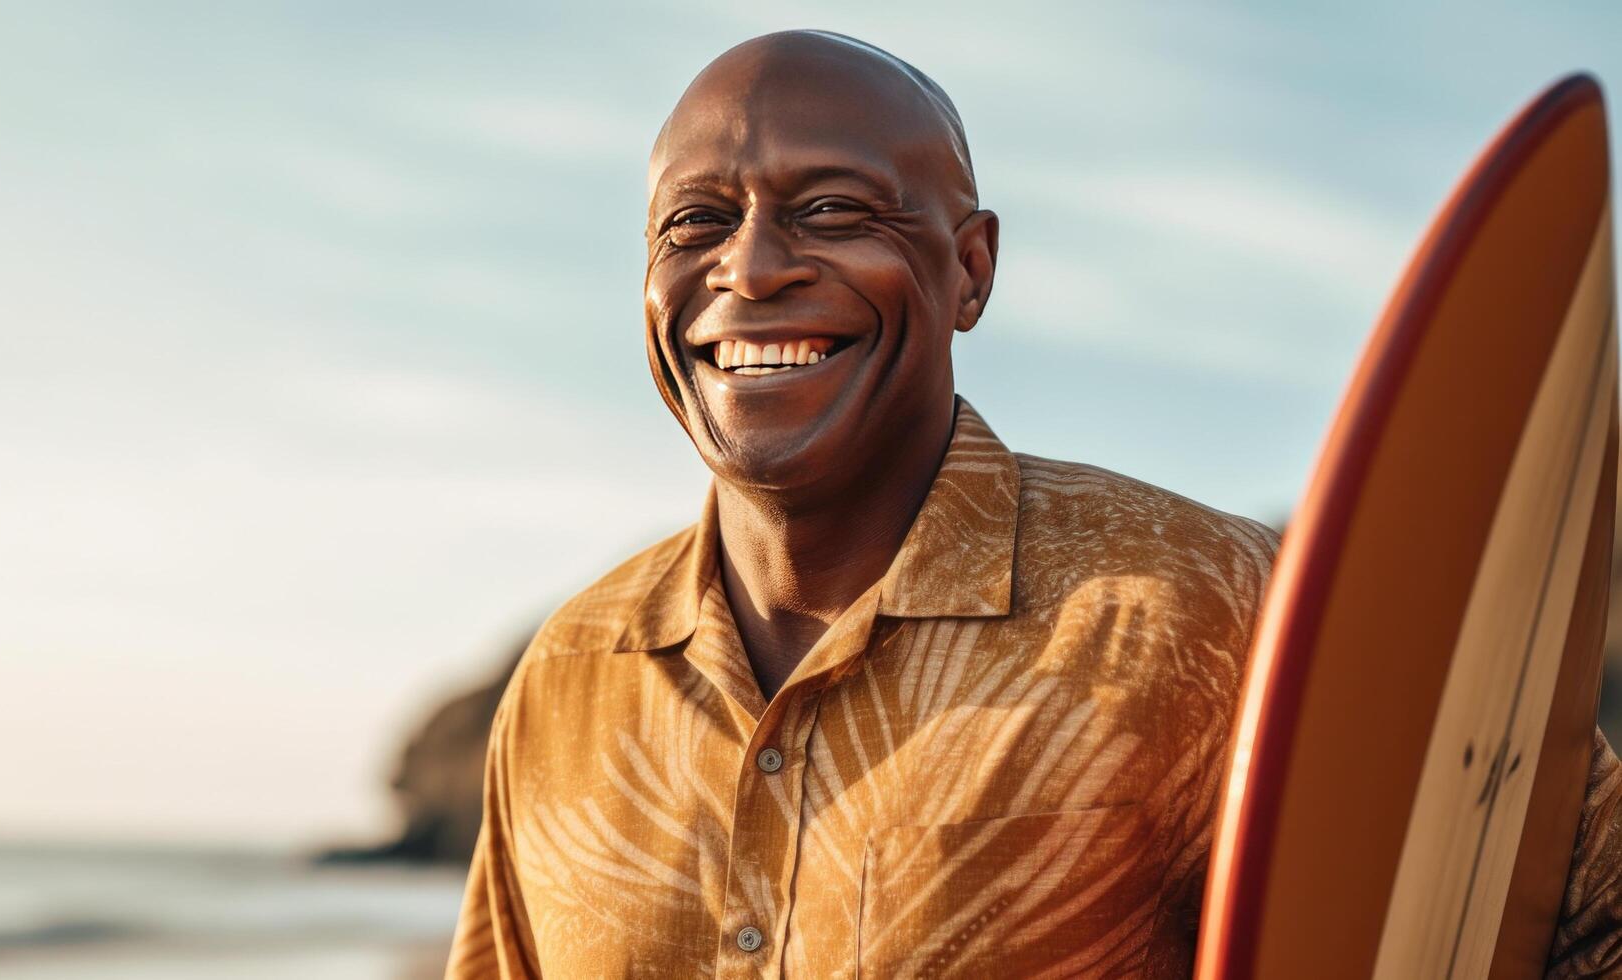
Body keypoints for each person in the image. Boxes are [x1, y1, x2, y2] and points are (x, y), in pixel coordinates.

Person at [446, 30, 1622, 978]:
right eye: (694, 221)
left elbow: (1552, 904)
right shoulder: (571, 674)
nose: (750, 270)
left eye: (836, 210)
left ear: (971, 269)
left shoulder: (1211, 608)